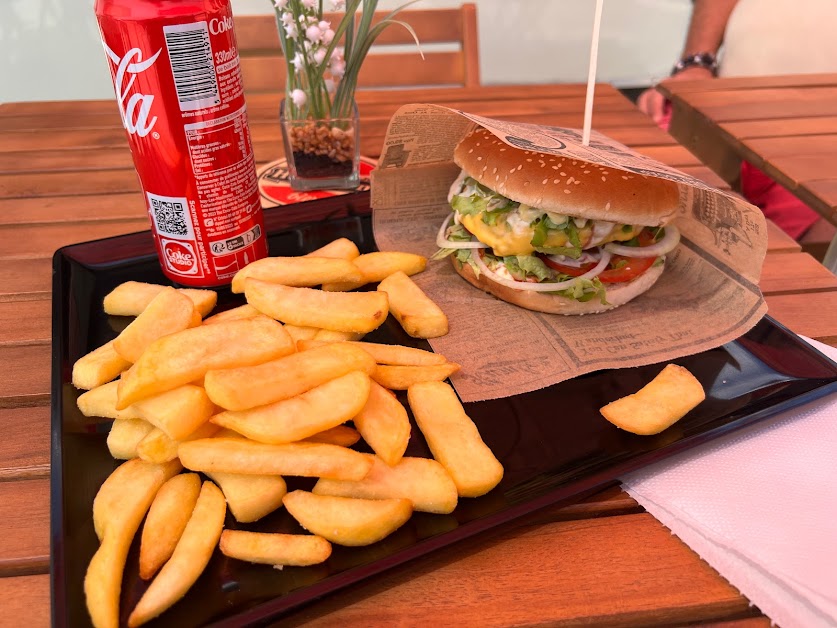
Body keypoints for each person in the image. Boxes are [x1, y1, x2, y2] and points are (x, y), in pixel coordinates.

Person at [637, 0, 837, 243]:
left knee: (789, 266)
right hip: (720, 104)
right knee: (638, 219)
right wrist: (695, 64)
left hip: (822, 150)